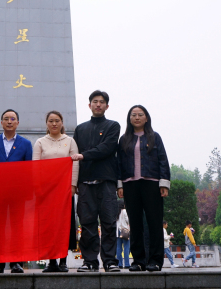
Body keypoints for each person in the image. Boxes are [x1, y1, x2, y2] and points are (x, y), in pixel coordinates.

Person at [70, 90, 121, 273]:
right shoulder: (80, 129)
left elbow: (107, 148)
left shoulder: (113, 126)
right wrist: (75, 182)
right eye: (95, 101)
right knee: (87, 224)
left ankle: (110, 261)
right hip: (85, 183)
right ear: (89, 105)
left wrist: (84, 155)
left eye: (101, 102)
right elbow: (73, 155)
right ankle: (90, 261)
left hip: (106, 181)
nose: (98, 104)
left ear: (107, 106)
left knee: (109, 223)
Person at [116, 105, 171, 272]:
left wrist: (164, 183)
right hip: (130, 184)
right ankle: (138, 261)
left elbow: (163, 159)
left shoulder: (154, 137)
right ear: (129, 118)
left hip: (152, 183)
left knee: (155, 222)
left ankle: (155, 260)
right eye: (133, 115)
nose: (137, 117)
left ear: (146, 118)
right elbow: (119, 163)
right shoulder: (124, 139)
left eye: (140, 114)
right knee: (135, 223)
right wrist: (120, 184)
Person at [0, 109, 33, 274]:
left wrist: (26, 192)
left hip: (17, 194)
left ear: (18, 122)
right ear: (1, 123)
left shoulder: (25, 144)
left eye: (13, 119)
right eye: (6, 119)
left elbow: (29, 170)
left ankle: (16, 262)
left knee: (17, 228)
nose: (9, 121)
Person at [34, 110, 79, 273]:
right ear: (46, 123)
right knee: (49, 225)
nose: (54, 124)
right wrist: (38, 187)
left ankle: (63, 260)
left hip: (64, 190)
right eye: (51, 121)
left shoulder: (70, 141)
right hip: (46, 191)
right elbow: (35, 166)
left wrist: (73, 185)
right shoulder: (40, 142)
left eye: (57, 120)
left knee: (65, 225)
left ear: (62, 123)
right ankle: (51, 261)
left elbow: (75, 163)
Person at [116, 202, 130, 269]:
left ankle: (119, 264)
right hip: (124, 231)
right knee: (126, 247)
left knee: (118, 248)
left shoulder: (116, 212)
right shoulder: (124, 211)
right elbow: (128, 220)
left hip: (118, 231)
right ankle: (127, 264)